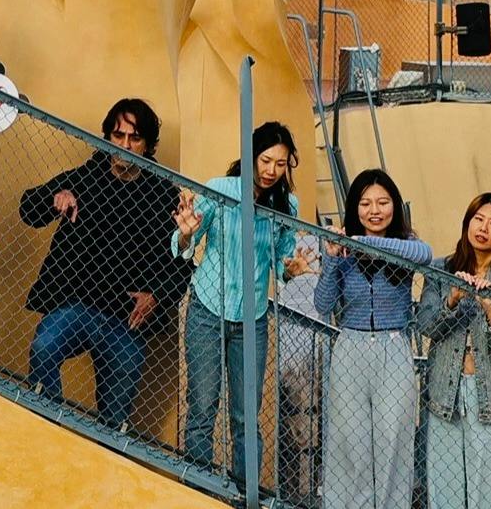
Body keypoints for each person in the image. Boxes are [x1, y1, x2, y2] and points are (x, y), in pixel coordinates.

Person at [20, 97, 179, 428]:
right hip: (75, 305)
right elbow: (27, 209)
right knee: (44, 348)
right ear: (107, 137)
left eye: (134, 139)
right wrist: (54, 199)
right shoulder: (85, 177)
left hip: (125, 321)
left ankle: (102, 465)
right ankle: (51, 432)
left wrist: (157, 297)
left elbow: (183, 264)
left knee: (115, 415)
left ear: (149, 146)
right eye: (118, 136)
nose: (124, 145)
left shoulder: (164, 195)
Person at [170, 118, 305, 477]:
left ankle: (245, 494)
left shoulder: (287, 206)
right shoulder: (221, 190)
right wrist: (186, 234)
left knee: (246, 415)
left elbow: (281, 261)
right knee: (202, 407)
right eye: (265, 160)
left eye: (280, 163)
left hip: (252, 320)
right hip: (207, 310)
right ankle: (197, 489)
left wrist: (290, 269)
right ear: (251, 156)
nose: (271, 170)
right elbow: (183, 244)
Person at [311, 169, 431, 508]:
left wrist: (358, 242)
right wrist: (334, 258)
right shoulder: (341, 250)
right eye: (365, 203)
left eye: (382, 202)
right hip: (351, 348)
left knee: (394, 441)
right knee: (352, 444)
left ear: (395, 206)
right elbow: (322, 304)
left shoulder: (406, 246)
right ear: (354, 208)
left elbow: (425, 253)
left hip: (394, 349)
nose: (374, 210)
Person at [414, 191, 491, 509]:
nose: (483, 228)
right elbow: (425, 324)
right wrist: (451, 301)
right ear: (467, 223)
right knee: (445, 492)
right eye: (478, 219)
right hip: (444, 395)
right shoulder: (441, 269)